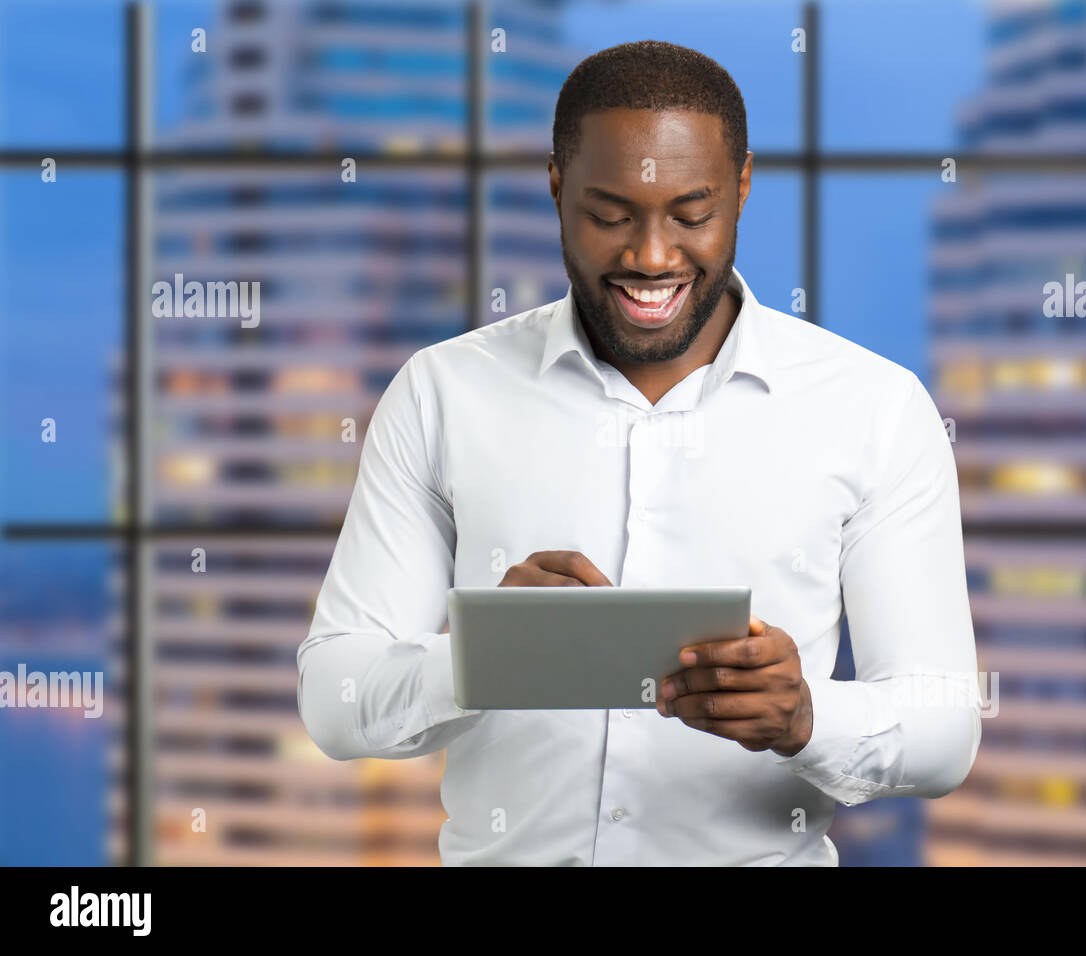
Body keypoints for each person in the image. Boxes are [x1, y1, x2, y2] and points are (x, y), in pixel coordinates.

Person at [298, 40, 981, 866]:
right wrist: (485, 660)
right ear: (556, 185)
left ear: (743, 187)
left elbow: (945, 727)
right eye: (611, 214)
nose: (652, 257)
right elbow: (335, 699)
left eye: (691, 214)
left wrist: (805, 717)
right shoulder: (442, 392)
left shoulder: (875, 410)